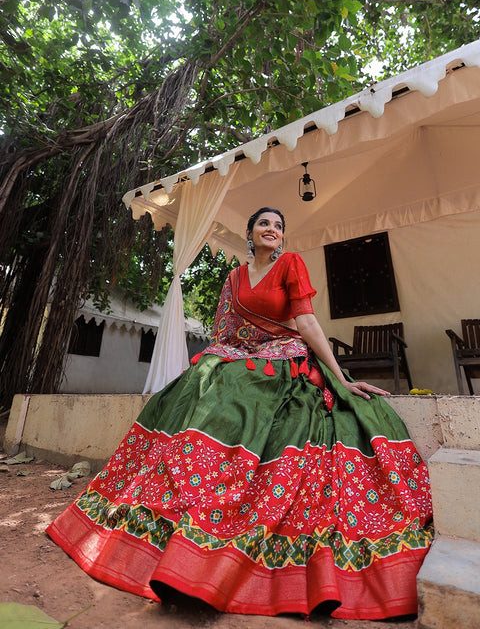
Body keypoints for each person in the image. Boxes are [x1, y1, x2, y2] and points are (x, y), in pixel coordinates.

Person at [47, 207, 433, 620]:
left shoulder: (290, 263)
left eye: (279, 226)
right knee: (200, 375)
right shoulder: (234, 277)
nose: (273, 230)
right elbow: (225, 332)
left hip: (282, 357)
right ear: (249, 233)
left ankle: (228, 505)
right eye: (264, 224)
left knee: (241, 388)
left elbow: (305, 322)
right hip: (243, 353)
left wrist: (340, 378)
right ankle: (183, 495)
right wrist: (223, 354)